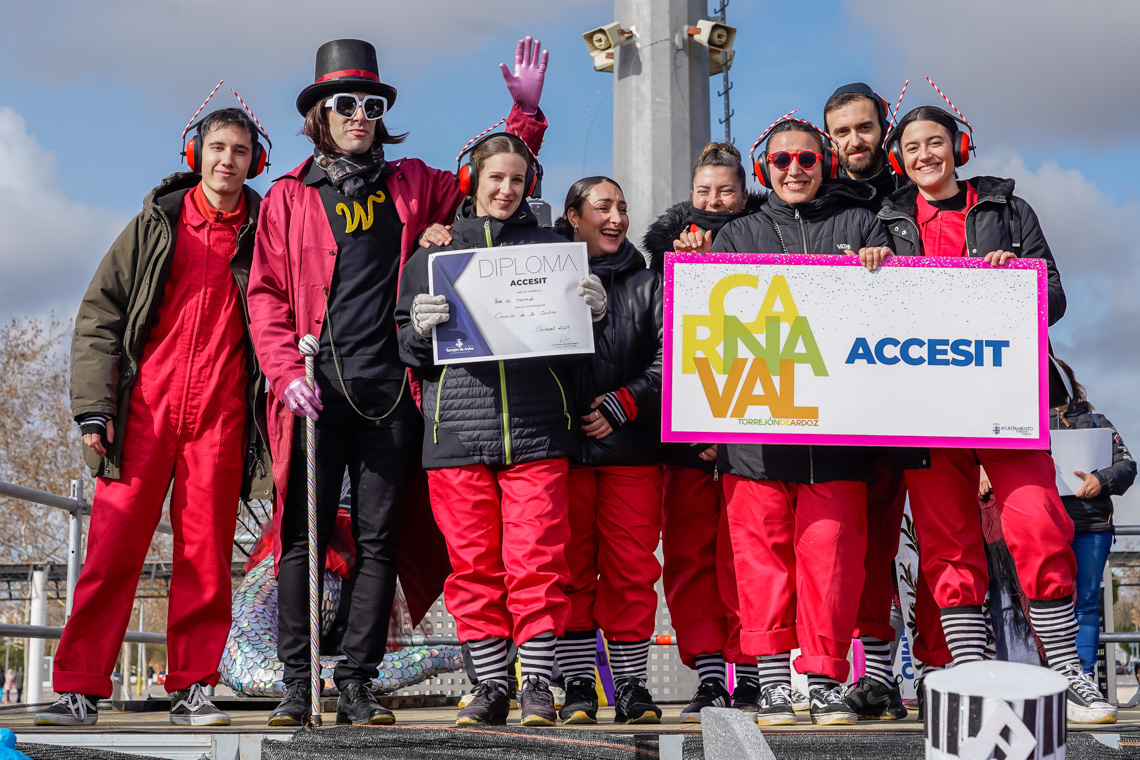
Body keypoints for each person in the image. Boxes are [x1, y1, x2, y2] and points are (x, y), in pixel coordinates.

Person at [248, 38, 550, 727]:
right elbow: (266, 295)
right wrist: (284, 372)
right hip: (315, 392)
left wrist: (525, 118)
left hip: (392, 392)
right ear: (320, 114)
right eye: (345, 103)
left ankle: (357, 681)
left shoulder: (414, 183)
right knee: (301, 539)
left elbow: (496, 181)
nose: (360, 115)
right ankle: (297, 684)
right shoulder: (288, 197)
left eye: (372, 104)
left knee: (378, 540)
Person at [876, 104, 1116, 723]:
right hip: (925, 406)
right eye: (912, 146)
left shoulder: (1009, 210)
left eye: (936, 142)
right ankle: (971, 674)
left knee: (1037, 521)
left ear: (959, 146)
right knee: (945, 540)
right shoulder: (887, 220)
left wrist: (1019, 282)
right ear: (899, 157)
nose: (925, 155)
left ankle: (1067, 673)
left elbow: (1054, 295)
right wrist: (866, 270)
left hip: (1004, 400)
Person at [36, 106, 272, 728]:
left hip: (220, 417)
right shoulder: (154, 225)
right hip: (143, 411)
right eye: (217, 147)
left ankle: (192, 689)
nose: (227, 160)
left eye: (240, 151)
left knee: (206, 558)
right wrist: (94, 408)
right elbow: (99, 316)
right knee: (111, 551)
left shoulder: (266, 233)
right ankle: (79, 688)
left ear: (256, 161)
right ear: (196, 154)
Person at [396, 134, 606, 728]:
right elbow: (406, 350)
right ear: (472, 181)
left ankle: (536, 683)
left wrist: (595, 315)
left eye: (517, 179)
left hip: (538, 431)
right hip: (458, 434)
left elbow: (580, 355)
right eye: (495, 178)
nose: (506, 190)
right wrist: (418, 329)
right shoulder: (433, 255)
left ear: (529, 184)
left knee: (537, 562)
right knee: (473, 567)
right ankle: (489, 685)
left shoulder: (555, 250)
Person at [710, 116, 890, 726]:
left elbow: (898, 309)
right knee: (761, 565)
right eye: (782, 160)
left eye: (807, 159)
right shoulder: (736, 234)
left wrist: (887, 266)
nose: (794, 169)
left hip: (838, 437)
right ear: (765, 169)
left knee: (832, 562)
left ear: (826, 164)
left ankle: (825, 681)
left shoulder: (861, 225)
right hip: (755, 438)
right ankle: (770, 683)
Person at [643, 144, 779, 719]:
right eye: (704, 191)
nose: (714, 201)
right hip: (685, 427)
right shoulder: (664, 254)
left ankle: (750, 673)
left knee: (745, 555)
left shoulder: (770, 238)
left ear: (744, 193)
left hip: (755, 420)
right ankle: (708, 676)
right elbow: (661, 340)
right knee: (690, 558)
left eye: (725, 191)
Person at [544, 177, 664, 725]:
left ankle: (632, 685)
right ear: (573, 216)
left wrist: (626, 401)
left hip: (632, 451)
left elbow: (669, 355)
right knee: (569, 569)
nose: (616, 218)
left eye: (622, 208)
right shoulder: (543, 275)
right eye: (603, 207)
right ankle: (577, 684)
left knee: (631, 570)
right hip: (564, 450)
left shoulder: (649, 283)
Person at [1049, 359, 1135, 676]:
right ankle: (1050, 678)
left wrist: (1101, 480)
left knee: (1085, 603)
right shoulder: (1025, 425)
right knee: (1046, 601)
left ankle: (1084, 676)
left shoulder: (1097, 421)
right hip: (1044, 527)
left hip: (1091, 528)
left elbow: (1127, 467)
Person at [822, 83, 906, 202]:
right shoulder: (817, 201)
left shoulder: (922, 187)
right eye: (842, 132)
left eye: (865, 127)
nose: (855, 142)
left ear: (884, 130)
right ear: (829, 143)